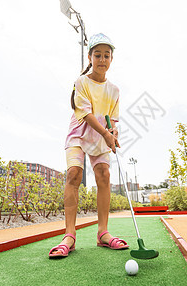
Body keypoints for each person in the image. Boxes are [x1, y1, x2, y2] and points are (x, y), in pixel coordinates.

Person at [49, 33, 129, 258]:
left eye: (107, 55)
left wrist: (112, 132)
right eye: (98, 55)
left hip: (101, 135)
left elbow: (111, 119)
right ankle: (69, 235)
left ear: (111, 59)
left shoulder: (115, 90)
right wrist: (106, 133)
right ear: (90, 57)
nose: (102, 59)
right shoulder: (81, 82)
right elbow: (85, 114)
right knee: (74, 174)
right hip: (79, 133)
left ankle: (103, 233)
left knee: (104, 175)